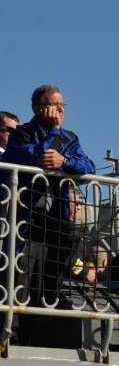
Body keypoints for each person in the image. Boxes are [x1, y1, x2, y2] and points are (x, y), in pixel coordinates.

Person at [0, 85, 95, 348]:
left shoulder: (70, 137)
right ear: (39, 108)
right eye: (55, 104)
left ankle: (41, 332)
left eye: (63, 104)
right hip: (27, 220)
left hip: (56, 220)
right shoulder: (21, 133)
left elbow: (88, 165)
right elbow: (36, 156)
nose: (61, 109)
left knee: (50, 282)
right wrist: (52, 135)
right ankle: (12, 337)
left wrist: (65, 161)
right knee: (22, 282)